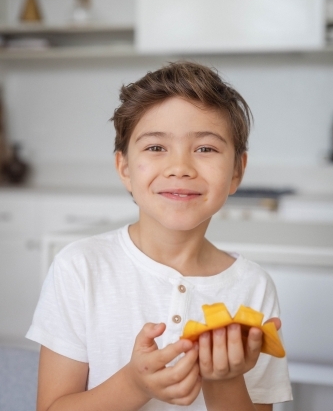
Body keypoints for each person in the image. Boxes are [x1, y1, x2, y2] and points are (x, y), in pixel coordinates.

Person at [26, 61, 292, 411]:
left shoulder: (253, 288)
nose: (180, 167)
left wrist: (224, 379)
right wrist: (133, 385)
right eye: (155, 147)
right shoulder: (80, 267)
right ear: (124, 167)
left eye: (205, 149)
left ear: (237, 171)